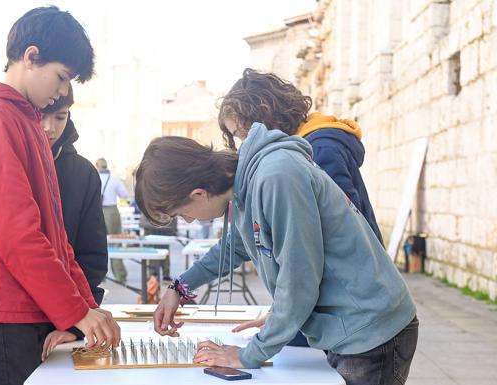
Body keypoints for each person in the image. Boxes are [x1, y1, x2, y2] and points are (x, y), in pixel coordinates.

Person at [136, 131, 418, 385]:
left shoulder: (276, 177)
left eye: (181, 213)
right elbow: (235, 245)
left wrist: (249, 355)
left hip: (370, 332)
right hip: (347, 327)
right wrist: (180, 287)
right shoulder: (245, 187)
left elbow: (298, 283)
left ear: (198, 193)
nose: (188, 220)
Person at [0, 6, 119, 385]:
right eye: (62, 77)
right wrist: (75, 311)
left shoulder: (24, 119)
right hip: (4, 309)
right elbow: (17, 234)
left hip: (26, 303)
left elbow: (55, 238)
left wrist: (87, 306)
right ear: (31, 57)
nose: (63, 92)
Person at [0, 88, 109, 385]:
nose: (50, 127)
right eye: (42, 117)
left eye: (60, 117)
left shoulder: (82, 173)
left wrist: (76, 321)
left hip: (56, 328)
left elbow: (88, 256)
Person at [218, 68, 383, 244]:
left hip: (352, 268)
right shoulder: (304, 145)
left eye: (243, 133)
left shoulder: (318, 149)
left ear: (263, 115)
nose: (245, 143)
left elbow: (345, 226)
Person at [96, 157, 129, 283]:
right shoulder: (114, 178)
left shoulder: (94, 177)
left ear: (97, 166)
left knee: (98, 243)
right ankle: (120, 274)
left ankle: (100, 276)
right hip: (112, 211)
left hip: (97, 211)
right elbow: (124, 195)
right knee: (115, 241)